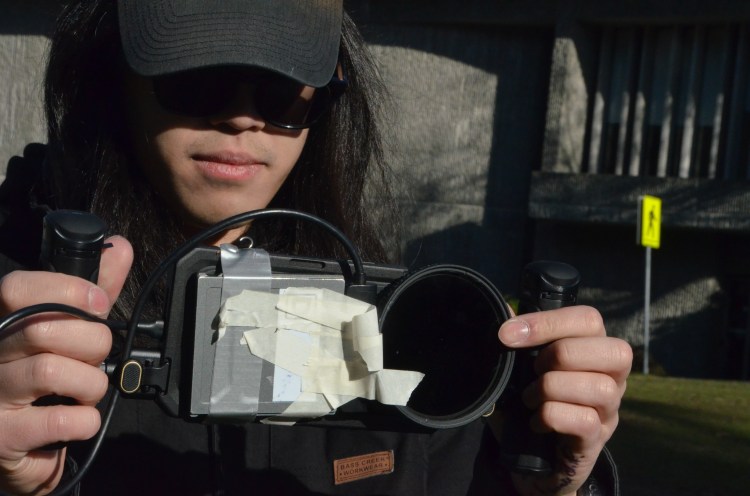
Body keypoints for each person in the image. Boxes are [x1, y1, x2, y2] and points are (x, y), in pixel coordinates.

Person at [0, 1, 632, 495]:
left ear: (328, 98)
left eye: (282, 90)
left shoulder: (409, 331)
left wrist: (549, 487)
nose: (242, 118)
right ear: (112, 78)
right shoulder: (17, 316)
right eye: (198, 80)